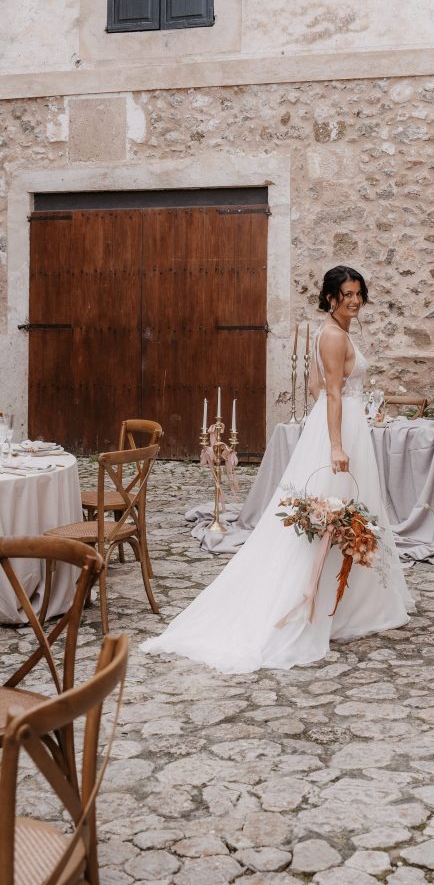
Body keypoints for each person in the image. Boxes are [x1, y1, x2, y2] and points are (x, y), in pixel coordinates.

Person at [141, 264, 413, 673]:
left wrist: (346, 422)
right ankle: (313, 601)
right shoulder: (334, 336)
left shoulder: (338, 333)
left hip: (346, 424)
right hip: (340, 431)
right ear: (330, 297)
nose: (355, 301)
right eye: (347, 295)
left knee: (353, 508)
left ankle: (351, 602)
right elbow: (333, 394)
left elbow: (319, 389)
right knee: (330, 510)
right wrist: (337, 444)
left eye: (359, 294)